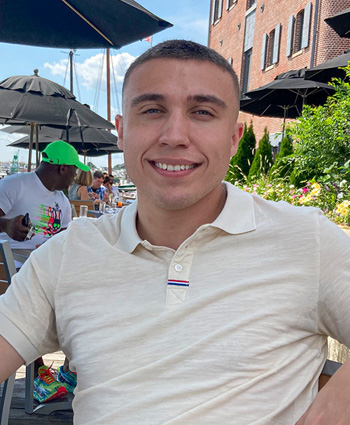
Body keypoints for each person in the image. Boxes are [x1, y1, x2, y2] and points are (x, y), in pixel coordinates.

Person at [0, 40, 350, 425]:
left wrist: (330, 409)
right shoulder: (71, 253)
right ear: (122, 131)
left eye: (202, 112)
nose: (174, 135)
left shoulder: (304, 239)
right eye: (152, 110)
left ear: (234, 138)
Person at [0, 140, 88, 402]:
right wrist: (6, 225)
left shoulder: (62, 201)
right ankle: (41, 374)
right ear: (62, 168)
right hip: (12, 270)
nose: (76, 176)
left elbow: (64, 240)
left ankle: (67, 369)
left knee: (89, 289)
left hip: (46, 268)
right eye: (74, 170)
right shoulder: (15, 185)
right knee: (50, 298)